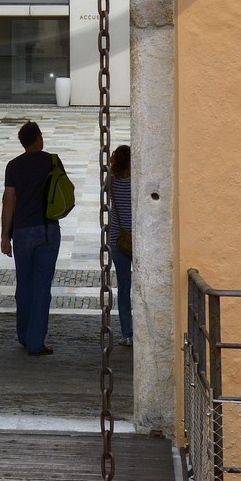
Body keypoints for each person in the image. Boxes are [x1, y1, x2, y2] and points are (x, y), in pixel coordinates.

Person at [0, 120, 61, 355]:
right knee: (41, 287)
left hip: (22, 231)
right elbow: (67, 189)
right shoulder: (51, 161)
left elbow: (8, 201)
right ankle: (36, 342)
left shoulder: (13, 166)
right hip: (47, 229)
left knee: (24, 285)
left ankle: (24, 335)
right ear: (38, 139)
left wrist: (5, 235)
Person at [110, 142, 133, 345]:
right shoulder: (137, 183)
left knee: (124, 289)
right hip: (138, 241)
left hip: (118, 240)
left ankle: (127, 334)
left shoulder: (112, 182)